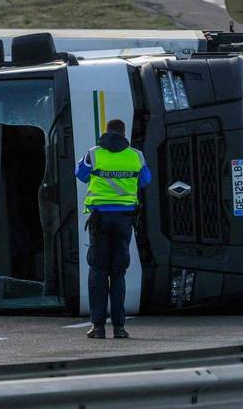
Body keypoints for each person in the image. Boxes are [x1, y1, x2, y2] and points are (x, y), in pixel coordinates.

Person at [75, 118, 150, 340]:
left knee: (98, 271)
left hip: (99, 221)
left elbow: (80, 175)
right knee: (118, 273)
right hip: (125, 220)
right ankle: (119, 328)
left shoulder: (94, 153)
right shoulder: (135, 155)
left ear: (106, 132)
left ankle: (97, 327)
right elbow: (146, 180)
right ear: (124, 133)